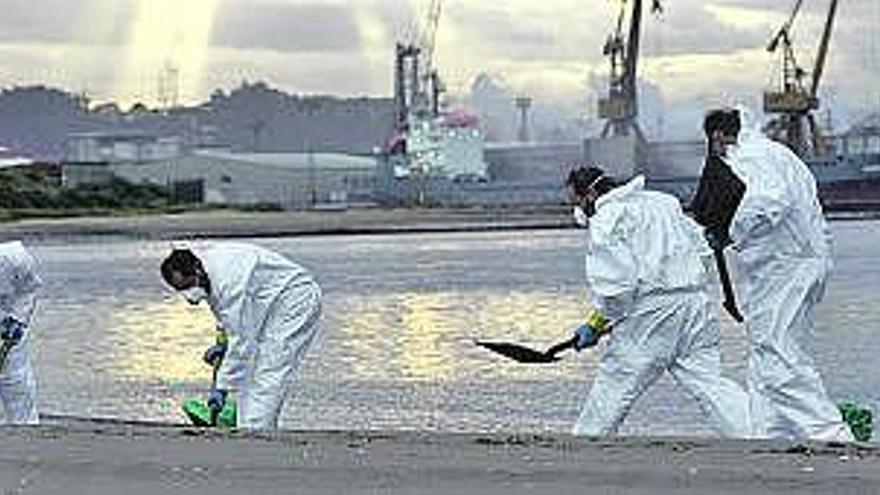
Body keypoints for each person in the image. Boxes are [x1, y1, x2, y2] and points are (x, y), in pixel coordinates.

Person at [697, 107, 853, 441]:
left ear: (719, 136)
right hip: (795, 264)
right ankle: (769, 434)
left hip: (784, 269)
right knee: (765, 351)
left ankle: (830, 433)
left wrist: (729, 230)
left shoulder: (750, 157)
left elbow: (768, 204)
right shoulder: (777, 154)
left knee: (776, 352)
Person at [567, 166, 750, 437]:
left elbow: (617, 287)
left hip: (651, 312)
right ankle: (756, 433)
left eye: (577, 201)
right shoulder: (663, 203)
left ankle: (586, 441)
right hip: (694, 304)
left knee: (617, 380)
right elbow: (703, 251)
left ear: (591, 193)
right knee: (710, 382)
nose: (577, 208)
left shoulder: (608, 218)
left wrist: (596, 324)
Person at [160, 242, 322, 430]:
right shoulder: (206, 272)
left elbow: (242, 341)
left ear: (196, 269)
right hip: (268, 303)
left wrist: (221, 387)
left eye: (189, 286)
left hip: (295, 301)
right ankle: (247, 425)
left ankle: (256, 430)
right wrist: (223, 344)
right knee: (251, 367)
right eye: (181, 290)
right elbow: (226, 319)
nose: (190, 297)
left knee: (269, 368)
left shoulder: (228, 279)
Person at [0, 241, 41, 425]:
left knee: (16, 378)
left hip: (7, 321)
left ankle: (25, 427)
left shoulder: (15, 257)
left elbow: (29, 289)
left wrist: (19, 319)